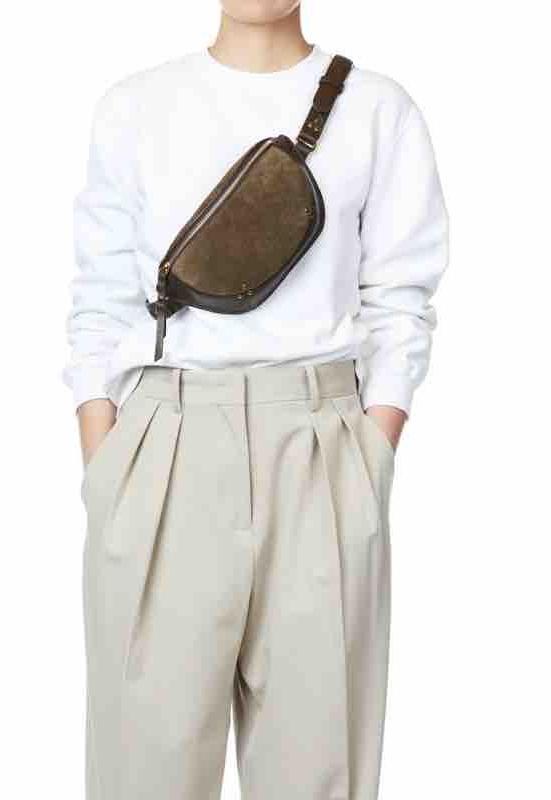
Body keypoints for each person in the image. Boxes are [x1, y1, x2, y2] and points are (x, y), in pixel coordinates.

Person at [63, 2, 449, 798]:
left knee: (319, 772)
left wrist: (371, 451)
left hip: (321, 448)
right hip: (163, 446)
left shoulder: (379, 109)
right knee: (144, 774)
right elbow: (99, 303)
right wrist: (107, 470)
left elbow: (401, 299)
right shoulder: (135, 107)